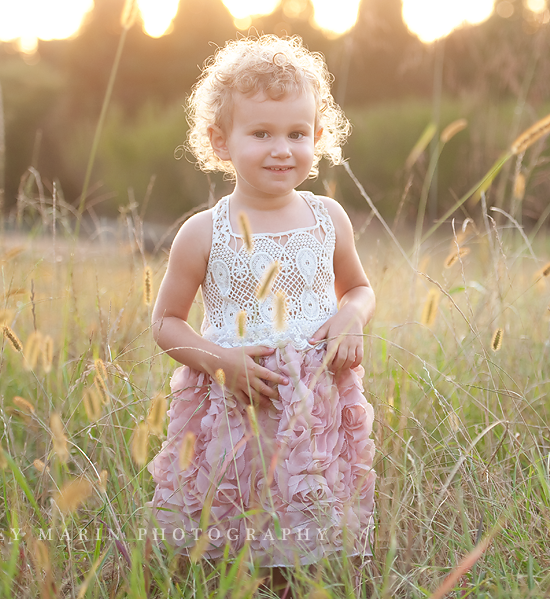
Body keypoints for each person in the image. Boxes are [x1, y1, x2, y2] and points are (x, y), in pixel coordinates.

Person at [145, 35, 377, 596]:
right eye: (262, 133)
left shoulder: (329, 219)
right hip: (235, 404)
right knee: (230, 528)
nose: (282, 149)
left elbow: (361, 288)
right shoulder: (204, 231)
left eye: (298, 133)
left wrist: (352, 315)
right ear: (220, 142)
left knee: (308, 533)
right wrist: (221, 361)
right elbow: (166, 322)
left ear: (319, 138)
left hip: (313, 401)